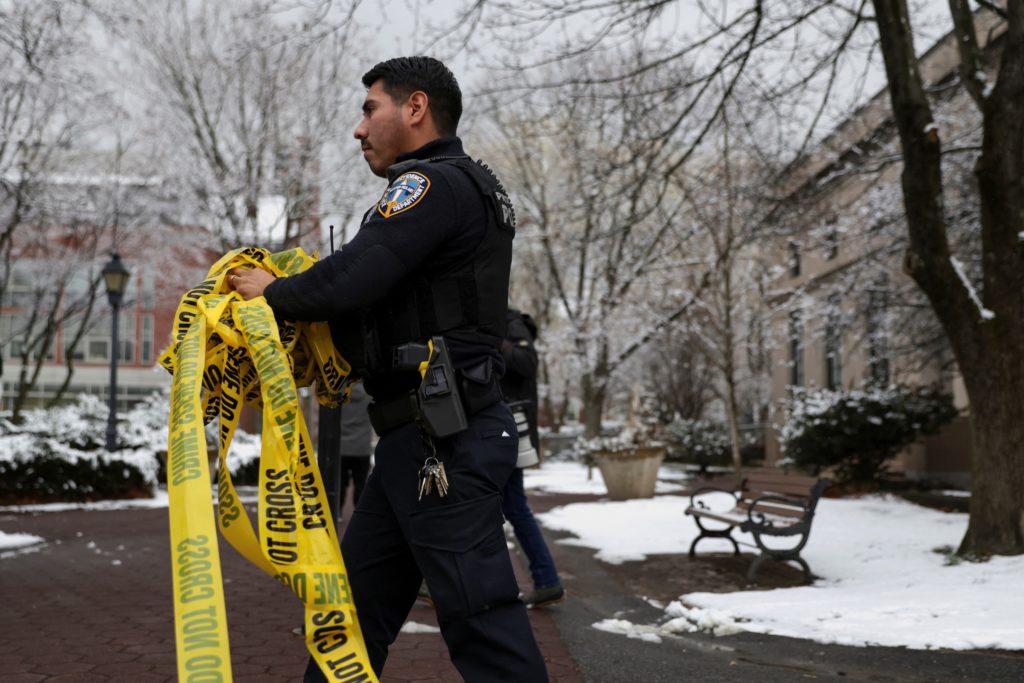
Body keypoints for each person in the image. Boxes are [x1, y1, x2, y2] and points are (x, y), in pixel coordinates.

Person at [230, 57, 549, 683]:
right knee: (349, 622)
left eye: (369, 108)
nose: (358, 128)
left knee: (483, 629)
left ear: (415, 108)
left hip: (445, 445)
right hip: (417, 441)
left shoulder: (431, 184)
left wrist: (273, 291)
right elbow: (381, 304)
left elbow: (357, 273)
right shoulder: (463, 185)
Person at [500, 308, 565, 608]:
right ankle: (546, 579)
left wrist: (495, 345)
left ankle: (547, 579)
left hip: (509, 430)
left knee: (510, 506)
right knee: (510, 506)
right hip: (504, 429)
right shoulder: (508, 325)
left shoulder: (511, 325)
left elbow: (526, 363)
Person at [339, 382, 372, 510]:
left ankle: (338, 512)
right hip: (362, 447)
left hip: (342, 447)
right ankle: (359, 513)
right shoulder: (368, 394)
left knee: (340, 483)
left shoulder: (340, 394)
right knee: (361, 484)